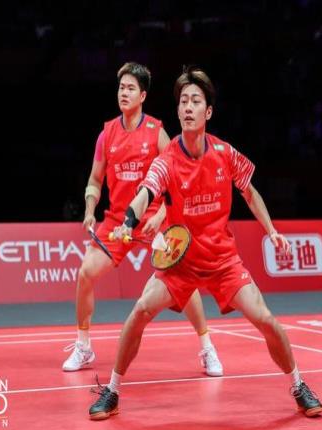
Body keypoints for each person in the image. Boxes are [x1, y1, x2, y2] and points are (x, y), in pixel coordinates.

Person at [88, 66, 322, 420]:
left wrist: (271, 230)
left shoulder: (225, 153)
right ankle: (112, 390)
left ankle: (298, 384)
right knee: (140, 312)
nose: (188, 107)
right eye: (183, 101)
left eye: (195, 101)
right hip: (180, 262)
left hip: (222, 261)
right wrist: (129, 221)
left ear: (208, 111)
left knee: (265, 318)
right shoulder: (167, 160)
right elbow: (146, 191)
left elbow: (250, 191)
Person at [62, 62, 223, 378]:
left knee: (183, 281)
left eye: (130, 88)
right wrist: (90, 209)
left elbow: (178, 179)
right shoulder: (107, 134)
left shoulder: (157, 133)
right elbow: (94, 180)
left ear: (143, 95)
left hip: (153, 219)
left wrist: (162, 213)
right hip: (118, 221)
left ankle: (207, 347)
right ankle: (83, 345)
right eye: (121, 87)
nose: (124, 93)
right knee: (86, 273)